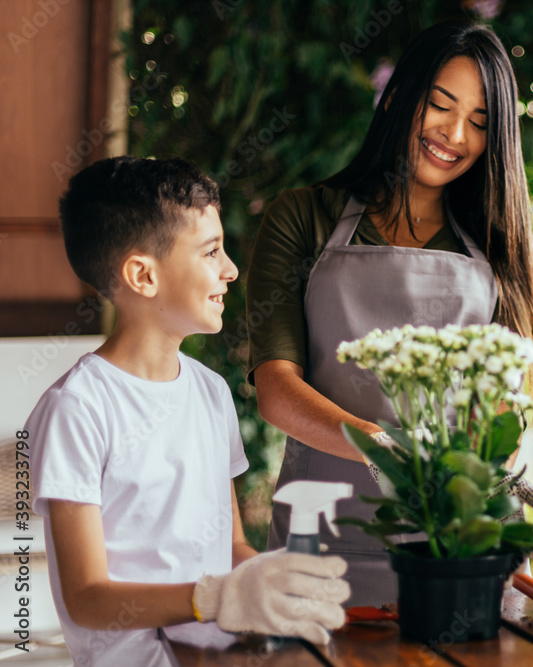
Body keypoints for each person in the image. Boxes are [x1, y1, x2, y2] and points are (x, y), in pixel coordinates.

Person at [246, 20, 533, 606]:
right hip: (324, 544)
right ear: (396, 97)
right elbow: (276, 389)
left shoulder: (495, 245)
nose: (455, 134)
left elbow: (506, 404)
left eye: (480, 122)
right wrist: (382, 446)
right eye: (440, 105)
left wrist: (485, 468)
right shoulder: (303, 217)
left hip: (459, 546)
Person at [27, 157, 350, 666]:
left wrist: (276, 585)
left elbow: (231, 548)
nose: (231, 269)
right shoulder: (77, 408)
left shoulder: (211, 392)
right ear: (142, 275)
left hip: (223, 655)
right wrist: (213, 598)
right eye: (211, 251)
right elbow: (86, 599)